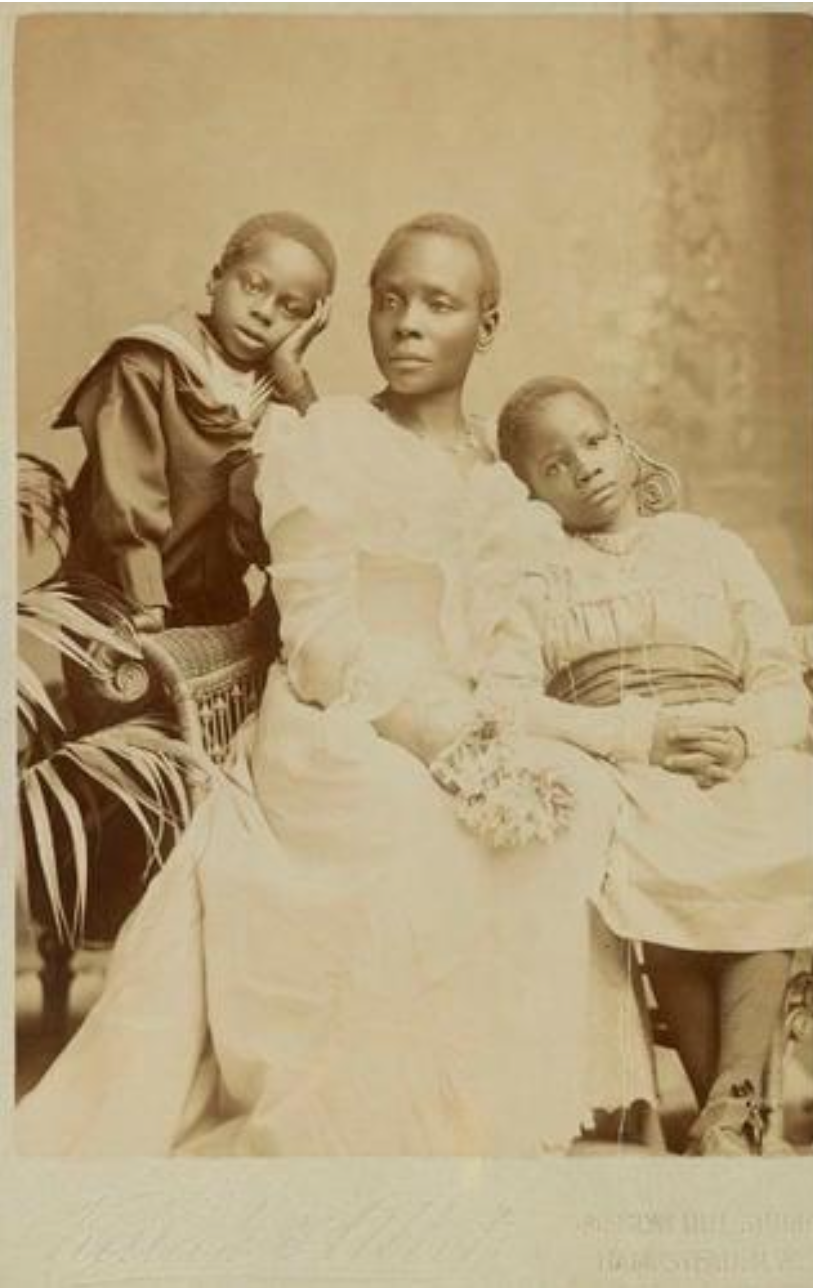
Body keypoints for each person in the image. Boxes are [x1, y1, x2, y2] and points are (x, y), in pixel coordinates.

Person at [17, 217, 657, 1157]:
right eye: (388, 299)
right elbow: (316, 637)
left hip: (474, 710)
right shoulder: (321, 441)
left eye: (437, 304)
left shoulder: (503, 473)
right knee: (404, 816)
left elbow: (508, 633)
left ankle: (507, 1103)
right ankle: (390, 1118)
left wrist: (500, 728)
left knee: (579, 802)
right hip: (339, 713)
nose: (404, 323)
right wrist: (428, 732)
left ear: (486, 325)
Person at [486, 374, 813, 1155]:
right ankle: (731, 1120)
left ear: (624, 440)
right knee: (656, 848)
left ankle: (725, 1119)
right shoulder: (535, 580)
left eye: (593, 442)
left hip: (731, 748)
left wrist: (740, 733)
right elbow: (507, 703)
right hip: (625, 756)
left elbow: (776, 676)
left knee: (775, 821)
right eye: (554, 465)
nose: (585, 467)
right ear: (531, 495)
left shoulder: (710, 547)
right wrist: (638, 736)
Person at [54, 210, 335, 633]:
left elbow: (334, 493)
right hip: (122, 607)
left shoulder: (276, 392)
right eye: (254, 287)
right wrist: (143, 600)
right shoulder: (147, 364)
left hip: (215, 612)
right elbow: (127, 496)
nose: (264, 312)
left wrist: (294, 379)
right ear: (215, 278)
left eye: (291, 309)